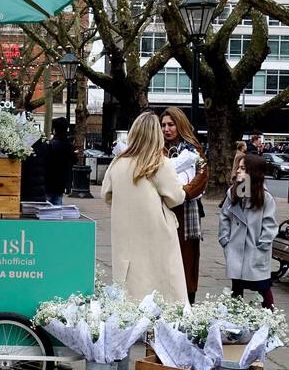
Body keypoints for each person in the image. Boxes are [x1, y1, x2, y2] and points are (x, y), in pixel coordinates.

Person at [102, 112, 187, 304]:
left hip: (126, 235)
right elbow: (176, 197)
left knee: (131, 289)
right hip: (157, 235)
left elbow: (106, 194)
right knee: (165, 291)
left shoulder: (118, 163)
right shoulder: (158, 163)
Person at [159, 106, 208, 303]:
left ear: (180, 125)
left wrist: (184, 193)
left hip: (187, 211)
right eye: (163, 125)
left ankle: (188, 296)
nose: (166, 129)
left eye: (171, 124)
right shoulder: (158, 149)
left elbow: (203, 175)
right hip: (164, 209)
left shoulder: (194, 149)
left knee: (187, 257)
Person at [218, 153, 278, 309]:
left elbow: (270, 225)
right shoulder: (233, 192)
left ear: (254, 172)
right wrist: (225, 240)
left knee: (263, 287)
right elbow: (224, 216)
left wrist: (262, 245)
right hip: (236, 248)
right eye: (238, 167)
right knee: (236, 287)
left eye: (243, 168)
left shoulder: (265, 197)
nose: (237, 171)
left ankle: (271, 321)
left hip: (255, 250)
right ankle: (234, 322)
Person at [46, 117, 75, 205]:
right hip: (61, 183)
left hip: (48, 182)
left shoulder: (50, 145)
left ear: (54, 129)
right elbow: (73, 160)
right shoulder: (68, 145)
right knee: (57, 208)